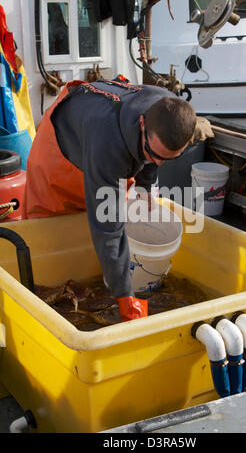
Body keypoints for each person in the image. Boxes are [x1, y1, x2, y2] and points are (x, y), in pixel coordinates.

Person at [23, 77, 197, 321]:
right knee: (49, 242)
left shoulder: (169, 111)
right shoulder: (108, 146)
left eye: (168, 158)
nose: (157, 162)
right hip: (59, 156)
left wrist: (146, 185)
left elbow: (154, 155)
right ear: (142, 123)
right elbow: (108, 228)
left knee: (109, 229)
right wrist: (125, 295)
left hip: (112, 140)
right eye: (153, 154)